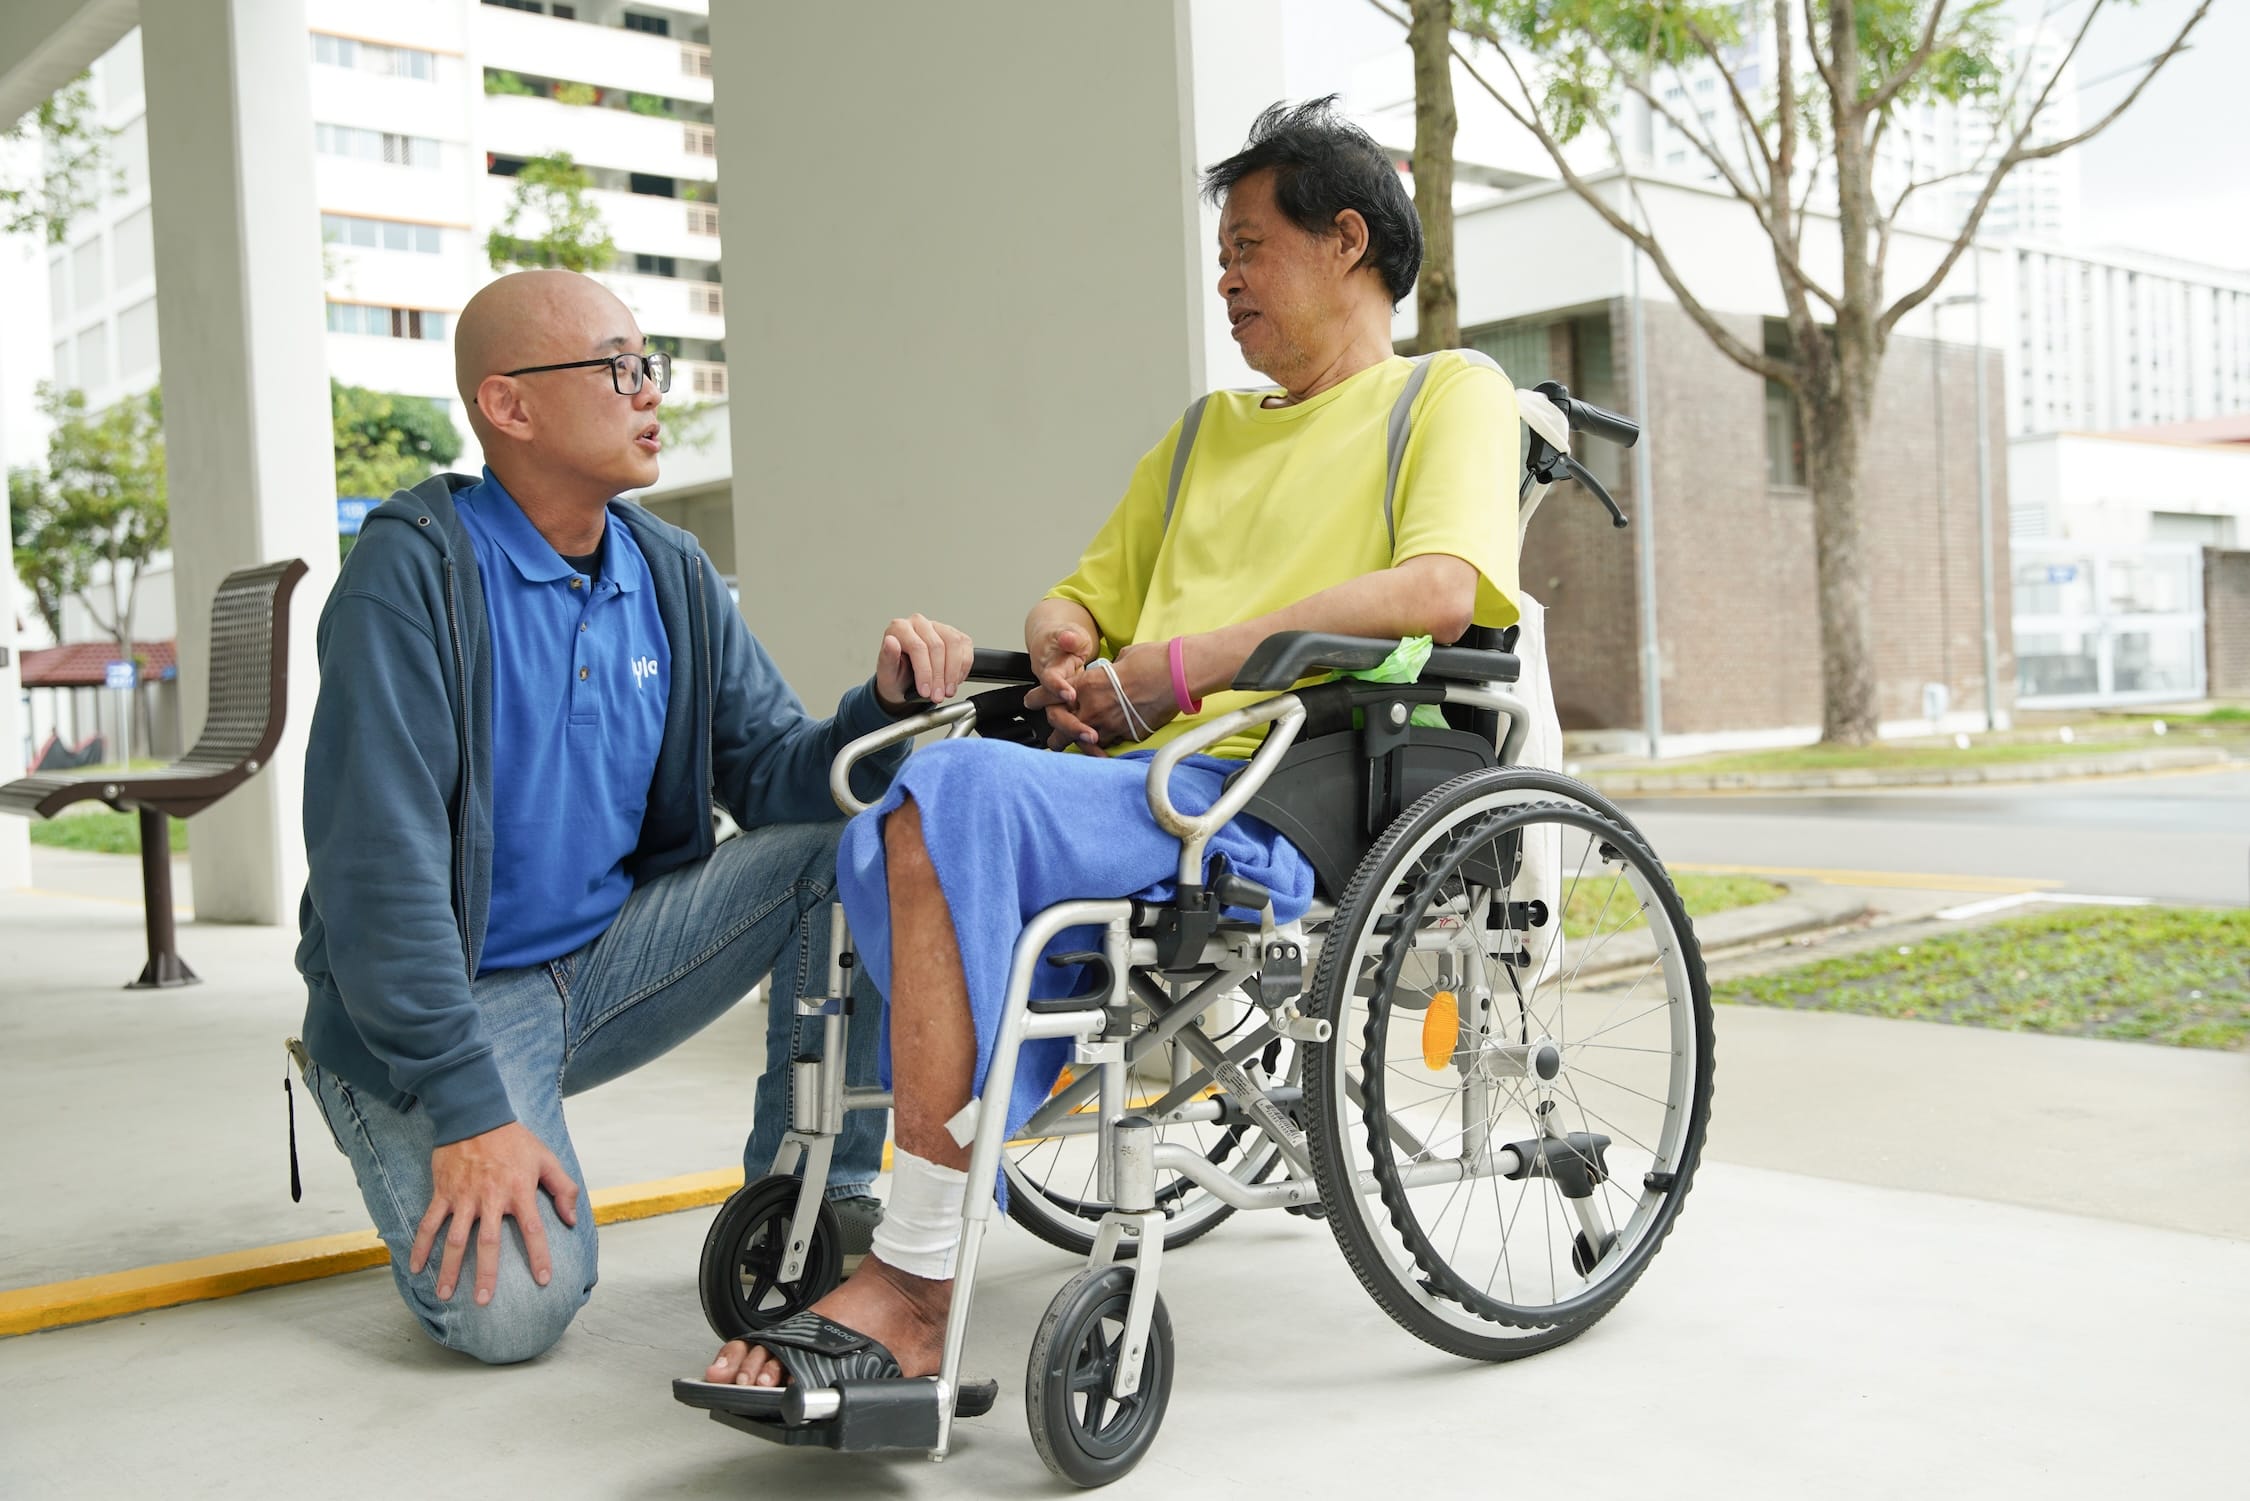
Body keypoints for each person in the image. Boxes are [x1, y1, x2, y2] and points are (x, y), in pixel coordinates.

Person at [706, 97, 1522, 1389]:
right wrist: (1065, 645)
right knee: (899, 819)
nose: (1225, 274)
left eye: (1249, 244)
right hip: (1133, 784)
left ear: (1347, 239)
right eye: (1225, 251)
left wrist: (1181, 669)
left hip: (1280, 785)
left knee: (949, 791)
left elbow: (1437, 590)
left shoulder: (1446, 395)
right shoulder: (1200, 434)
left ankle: (914, 1285)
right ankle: (919, 1230)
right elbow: (1079, 596)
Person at [293, 269, 974, 1364]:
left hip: (610, 960)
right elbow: (379, 875)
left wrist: (882, 707)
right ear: (508, 406)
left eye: (647, 365)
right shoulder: (408, 579)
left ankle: (815, 1203)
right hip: (452, 997)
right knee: (512, 1315)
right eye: (618, 368)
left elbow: (773, 775)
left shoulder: (667, 568)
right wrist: (468, 1109)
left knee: (843, 848)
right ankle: (380, 1094)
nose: (649, 391)